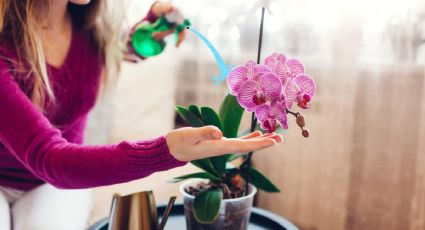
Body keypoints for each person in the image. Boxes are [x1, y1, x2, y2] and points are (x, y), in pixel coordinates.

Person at [0, 0, 283, 229]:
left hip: (54, 187)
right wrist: (166, 150)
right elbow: (50, 158)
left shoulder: (90, 29)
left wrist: (156, 24)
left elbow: (129, 47)